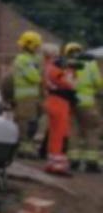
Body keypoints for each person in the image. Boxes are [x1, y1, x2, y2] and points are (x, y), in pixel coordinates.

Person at [66, 43, 102, 173]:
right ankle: (91, 163)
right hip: (87, 103)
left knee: (73, 131)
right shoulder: (90, 64)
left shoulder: (67, 65)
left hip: (70, 102)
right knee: (92, 129)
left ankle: (73, 162)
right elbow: (98, 82)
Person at [44, 46, 77, 176]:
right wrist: (70, 71)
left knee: (53, 135)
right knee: (61, 135)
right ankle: (58, 166)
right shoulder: (54, 69)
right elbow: (69, 84)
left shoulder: (47, 67)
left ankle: (51, 163)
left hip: (52, 101)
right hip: (59, 103)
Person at [11, 32, 44, 158]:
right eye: (36, 46)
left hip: (29, 97)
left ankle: (25, 149)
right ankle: (24, 150)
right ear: (29, 46)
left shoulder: (29, 59)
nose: (38, 48)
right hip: (25, 98)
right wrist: (38, 71)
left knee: (30, 123)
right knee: (26, 124)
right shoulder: (23, 60)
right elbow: (34, 78)